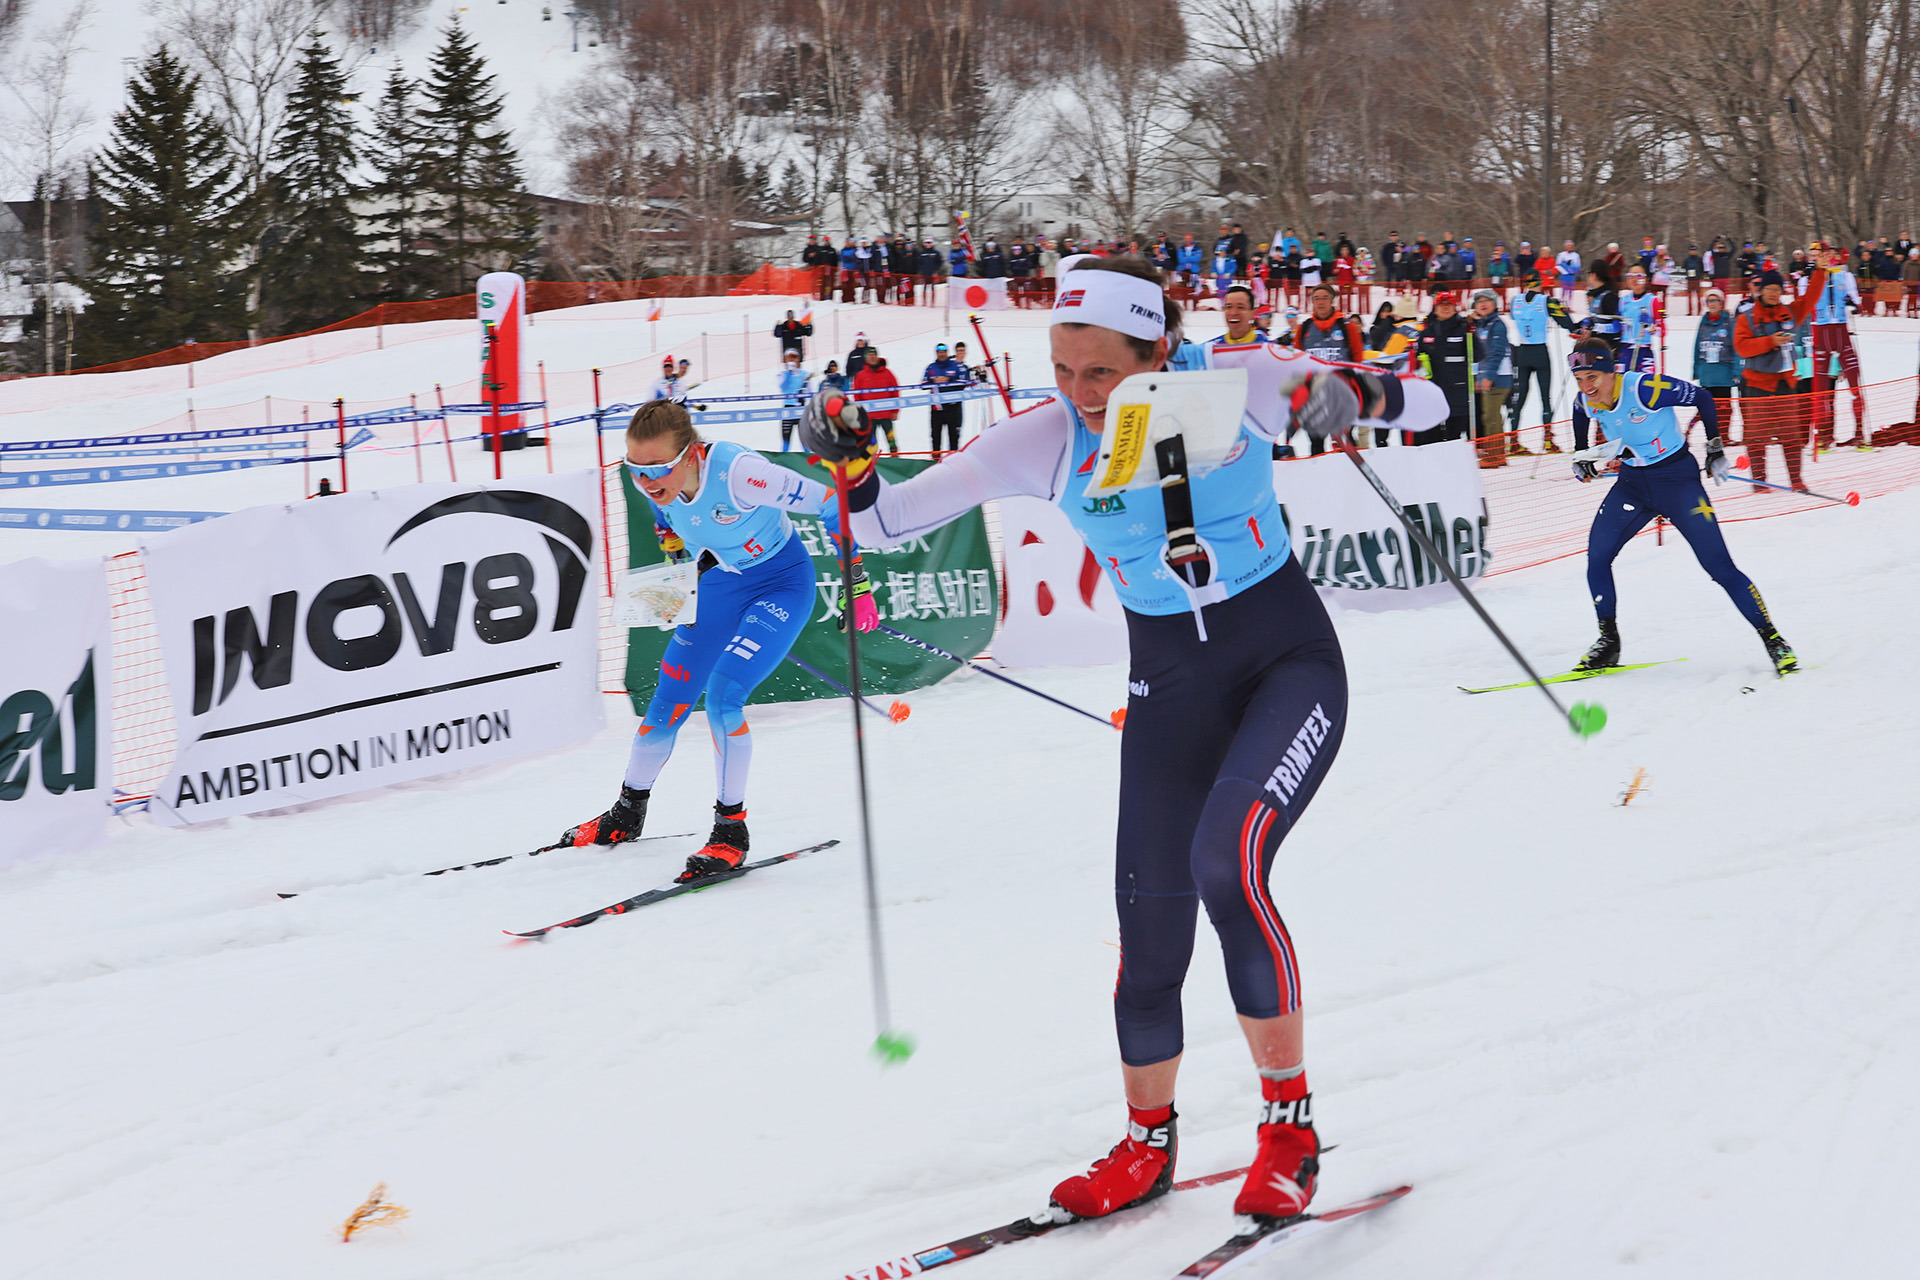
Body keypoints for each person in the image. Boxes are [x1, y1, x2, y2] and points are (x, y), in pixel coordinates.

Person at [799, 254, 1446, 1230]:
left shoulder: (1240, 381)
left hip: (1284, 663)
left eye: (1101, 372)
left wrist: (1352, 390)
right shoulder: (1047, 439)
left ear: (1161, 349)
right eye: (1062, 370)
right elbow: (886, 516)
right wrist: (842, 450)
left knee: (1228, 864)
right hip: (1169, 687)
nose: (1079, 395)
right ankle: (1147, 1143)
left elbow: (1431, 402)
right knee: (1148, 927)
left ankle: (1289, 1127)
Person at [558, 400, 879, 880]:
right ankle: (626, 813)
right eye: (635, 469)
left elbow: (834, 503)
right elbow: (669, 523)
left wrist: (857, 585)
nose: (646, 481)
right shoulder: (655, 485)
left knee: (724, 697)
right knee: (667, 701)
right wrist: (675, 569)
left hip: (780, 584)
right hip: (720, 587)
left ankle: (731, 832)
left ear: (690, 455)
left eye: (658, 469)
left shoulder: (741, 473)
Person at [1565, 337, 1798, 678]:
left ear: (1611, 372)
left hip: (1678, 482)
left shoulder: (1645, 389)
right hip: (1633, 486)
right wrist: (1581, 451)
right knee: (1597, 557)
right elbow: (1578, 411)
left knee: (1719, 567)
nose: (1587, 388)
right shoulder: (1587, 399)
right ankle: (1608, 642)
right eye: (1580, 380)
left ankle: (1773, 639)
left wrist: (1715, 447)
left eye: (1593, 378)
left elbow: (1702, 397)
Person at [1732, 266, 1823, 493]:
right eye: (1770, 289)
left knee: (1791, 435)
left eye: (1778, 289)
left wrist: (1821, 270)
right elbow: (1741, 347)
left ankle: (1796, 480)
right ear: (1760, 291)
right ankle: (1760, 482)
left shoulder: (1790, 313)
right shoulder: (1747, 318)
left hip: (1786, 384)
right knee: (1757, 437)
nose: (1774, 293)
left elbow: (1812, 297)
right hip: (1757, 385)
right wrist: (1769, 342)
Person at [1285, 284, 1364, 455]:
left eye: (1324, 298)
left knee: (1345, 442)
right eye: (1316, 298)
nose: (1320, 302)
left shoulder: (1346, 326)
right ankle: (1318, 476)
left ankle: (1350, 475)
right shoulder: (1305, 328)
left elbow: (1358, 358)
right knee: (1316, 442)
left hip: (1341, 394)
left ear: (1332, 300)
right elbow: (1297, 360)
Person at [1809, 244, 1867, 449]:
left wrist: (1853, 303)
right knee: (1821, 391)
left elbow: (1857, 303)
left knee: (1855, 386)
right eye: (1825, 255)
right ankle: (1822, 437)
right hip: (1822, 334)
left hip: (1841, 333)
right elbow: (1806, 303)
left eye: (1832, 255)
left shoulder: (1845, 276)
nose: (1829, 258)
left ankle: (1860, 434)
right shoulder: (1812, 276)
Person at [1506, 271, 1570, 453]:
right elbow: (1564, 320)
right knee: (1545, 398)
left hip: (1523, 351)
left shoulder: (1515, 301)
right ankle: (1548, 442)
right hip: (1540, 351)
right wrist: (1575, 328)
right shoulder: (1545, 300)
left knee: (1520, 398)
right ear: (1540, 283)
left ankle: (1513, 441)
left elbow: (1513, 316)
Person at [1412, 291, 1473, 443]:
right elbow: (1417, 357)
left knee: (1454, 436)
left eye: (1449, 305)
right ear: (1435, 308)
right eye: (1441, 305)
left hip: (1457, 390)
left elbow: (1477, 355)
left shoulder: (1463, 329)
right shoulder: (1427, 332)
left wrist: (1472, 334)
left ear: (1455, 307)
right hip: (1433, 390)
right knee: (1432, 436)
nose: (1445, 308)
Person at [1469, 289, 1514, 467]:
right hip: (1488, 376)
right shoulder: (1481, 325)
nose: (1482, 304)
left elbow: (1497, 352)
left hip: (1499, 376)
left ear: (1495, 304)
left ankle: (1495, 455)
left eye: (1487, 301)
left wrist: (1489, 376)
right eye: (1479, 302)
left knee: (1491, 416)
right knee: (1488, 415)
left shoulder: (1497, 324)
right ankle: (1496, 452)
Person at [1690, 289, 1738, 444]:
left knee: (1724, 409)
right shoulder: (1703, 322)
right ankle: (1709, 436)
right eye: (1709, 301)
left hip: (1723, 374)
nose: (1712, 304)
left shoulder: (1729, 322)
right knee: (1706, 408)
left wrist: (1737, 371)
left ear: (1722, 303)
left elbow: (1736, 348)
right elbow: (1697, 346)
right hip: (1707, 374)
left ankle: (1723, 436)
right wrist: (1696, 369)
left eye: (1715, 300)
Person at [851, 345, 902, 453]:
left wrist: (895, 410)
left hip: (886, 414)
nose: (872, 357)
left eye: (874, 355)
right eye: (870, 355)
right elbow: (857, 396)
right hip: (870, 416)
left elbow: (895, 392)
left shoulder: (887, 373)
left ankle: (895, 457)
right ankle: (870, 463)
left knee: (892, 441)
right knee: (870, 443)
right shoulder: (860, 375)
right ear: (866, 358)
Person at [924, 341, 971, 456]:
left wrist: (949, 380)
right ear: (936, 353)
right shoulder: (931, 367)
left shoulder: (955, 366)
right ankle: (935, 461)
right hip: (937, 409)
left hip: (952, 408)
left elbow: (965, 383)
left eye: (943, 352)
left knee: (953, 437)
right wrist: (933, 381)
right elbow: (923, 384)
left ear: (947, 353)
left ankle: (954, 460)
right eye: (939, 352)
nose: (941, 354)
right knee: (935, 437)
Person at [1617, 265, 1662, 373]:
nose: (1634, 279)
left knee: (1645, 387)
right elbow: (1617, 326)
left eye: (1639, 276)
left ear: (1646, 279)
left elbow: (1662, 332)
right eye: (1631, 276)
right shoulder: (1623, 301)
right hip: (1625, 351)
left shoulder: (1653, 300)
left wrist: (1649, 326)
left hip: (1643, 351)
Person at [777, 349, 811, 451]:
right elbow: (783, 387)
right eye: (788, 358)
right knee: (786, 439)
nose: (791, 360)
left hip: (801, 408)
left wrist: (803, 391)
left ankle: (808, 461)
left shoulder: (805, 374)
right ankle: (784, 461)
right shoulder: (782, 374)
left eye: (794, 357)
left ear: (798, 359)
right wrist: (789, 373)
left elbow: (810, 391)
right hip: (788, 408)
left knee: (805, 439)